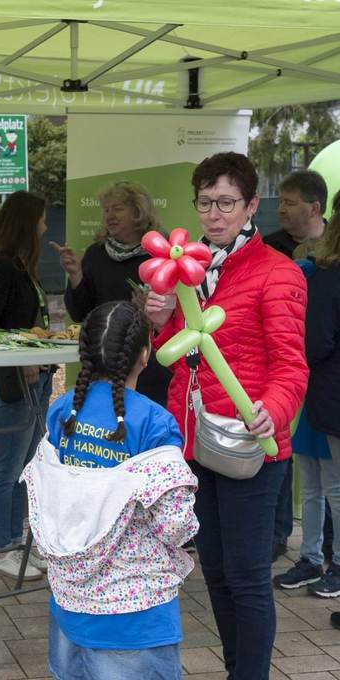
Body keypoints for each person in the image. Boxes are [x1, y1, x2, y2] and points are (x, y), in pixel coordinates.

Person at [145, 152, 308, 680]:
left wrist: (273, 410)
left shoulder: (276, 273)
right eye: (205, 203)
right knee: (214, 570)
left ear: (251, 204)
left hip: (249, 442)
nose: (215, 215)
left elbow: (291, 365)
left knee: (247, 576)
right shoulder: (190, 272)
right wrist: (162, 318)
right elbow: (177, 352)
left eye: (226, 203)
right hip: (196, 442)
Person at [20, 301, 198, 680]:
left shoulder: (63, 411)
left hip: (70, 603)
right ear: (145, 354)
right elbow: (174, 524)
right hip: (134, 618)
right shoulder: (153, 422)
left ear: (83, 352)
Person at [0, 190, 53, 580]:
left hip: (38, 375)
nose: (45, 225)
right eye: (40, 218)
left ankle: (21, 544)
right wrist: (22, 357)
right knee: (8, 466)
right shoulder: (3, 267)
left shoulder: (24, 266)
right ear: (26, 222)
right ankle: (1, 546)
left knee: (28, 466)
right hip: (14, 378)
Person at [51, 181, 171, 405]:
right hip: (105, 365)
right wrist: (76, 275)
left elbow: (178, 314)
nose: (109, 216)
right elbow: (80, 314)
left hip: (151, 367)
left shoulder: (161, 254)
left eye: (117, 209)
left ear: (138, 211)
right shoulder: (96, 254)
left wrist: (154, 310)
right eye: (106, 210)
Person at [265, 169, 328, 561]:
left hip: (322, 374)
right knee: (282, 455)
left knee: (327, 477)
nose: (282, 210)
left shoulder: (330, 257)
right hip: (280, 369)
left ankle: (325, 552)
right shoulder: (268, 247)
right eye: (281, 202)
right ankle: (278, 535)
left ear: (315, 207)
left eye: (290, 202)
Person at [296, 192, 340, 625]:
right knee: (320, 484)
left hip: (328, 395)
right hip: (321, 398)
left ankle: (335, 564)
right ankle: (314, 557)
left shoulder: (326, 276)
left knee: (334, 488)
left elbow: (317, 342)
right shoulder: (317, 271)